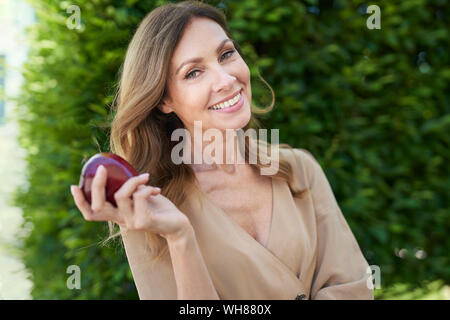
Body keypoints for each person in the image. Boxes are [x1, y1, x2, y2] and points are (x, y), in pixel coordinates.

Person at [70, 0, 374, 300]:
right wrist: (180, 238)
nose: (227, 80)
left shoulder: (298, 169)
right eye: (193, 72)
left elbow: (354, 290)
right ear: (164, 100)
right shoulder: (151, 208)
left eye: (226, 54)